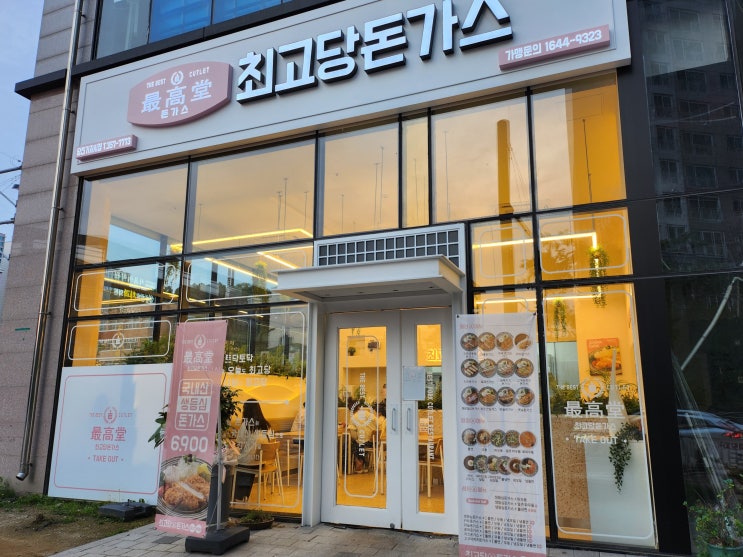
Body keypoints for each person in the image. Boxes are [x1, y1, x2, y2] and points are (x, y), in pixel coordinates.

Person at [236, 399, 272, 465]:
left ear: (247, 411)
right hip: (263, 462)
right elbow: (270, 441)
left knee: (226, 458)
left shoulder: (246, 425)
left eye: (244, 409)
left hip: (248, 462)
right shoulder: (266, 425)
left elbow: (239, 446)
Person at [348, 403, 378, 472]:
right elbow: (378, 423)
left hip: (363, 444)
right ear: (359, 407)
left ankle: (358, 461)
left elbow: (354, 436)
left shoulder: (353, 418)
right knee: (360, 443)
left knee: (351, 443)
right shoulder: (369, 414)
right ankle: (363, 463)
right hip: (374, 442)